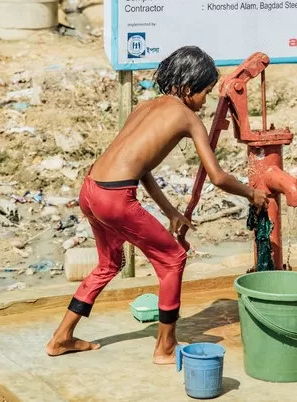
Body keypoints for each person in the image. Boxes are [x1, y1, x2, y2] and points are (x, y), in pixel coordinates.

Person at [46, 46, 269, 364]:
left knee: (109, 265)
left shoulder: (144, 107)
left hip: (90, 189)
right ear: (189, 87)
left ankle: (61, 338)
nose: (205, 101)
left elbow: (141, 168)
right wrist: (252, 193)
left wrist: (170, 212)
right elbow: (217, 177)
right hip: (115, 198)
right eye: (205, 92)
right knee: (173, 259)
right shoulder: (187, 118)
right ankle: (165, 347)